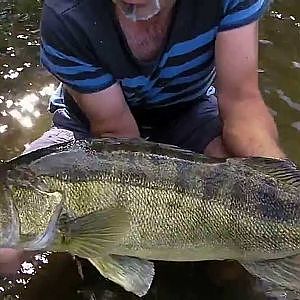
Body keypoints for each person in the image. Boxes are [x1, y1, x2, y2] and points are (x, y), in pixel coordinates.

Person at [0, 0, 285, 273]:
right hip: (94, 134)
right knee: (5, 255)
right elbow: (114, 132)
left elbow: (242, 106)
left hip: (188, 110)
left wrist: (284, 190)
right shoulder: (68, 14)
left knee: (245, 233)